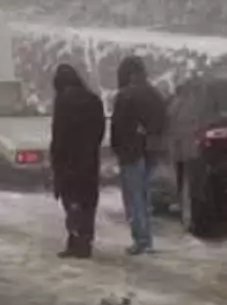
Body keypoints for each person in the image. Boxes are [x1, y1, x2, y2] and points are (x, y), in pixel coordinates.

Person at [110, 55, 167, 255]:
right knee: (144, 195)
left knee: (134, 198)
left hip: (130, 153)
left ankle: (141, 240)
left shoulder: (125, 96)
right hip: (151, 150)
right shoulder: (154, 94)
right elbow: (162, 120)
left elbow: (118, 127)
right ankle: (147, 239)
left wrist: (117, 148)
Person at [50, 64, 106, 259]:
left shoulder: (62, 102)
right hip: (89, 160)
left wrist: (56, 161)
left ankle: (74, 241)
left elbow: (58, 135)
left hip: (68, 161)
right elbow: (100, 130)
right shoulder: (94, 100)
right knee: (88, 203)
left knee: (72, 201)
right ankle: (86, 242)